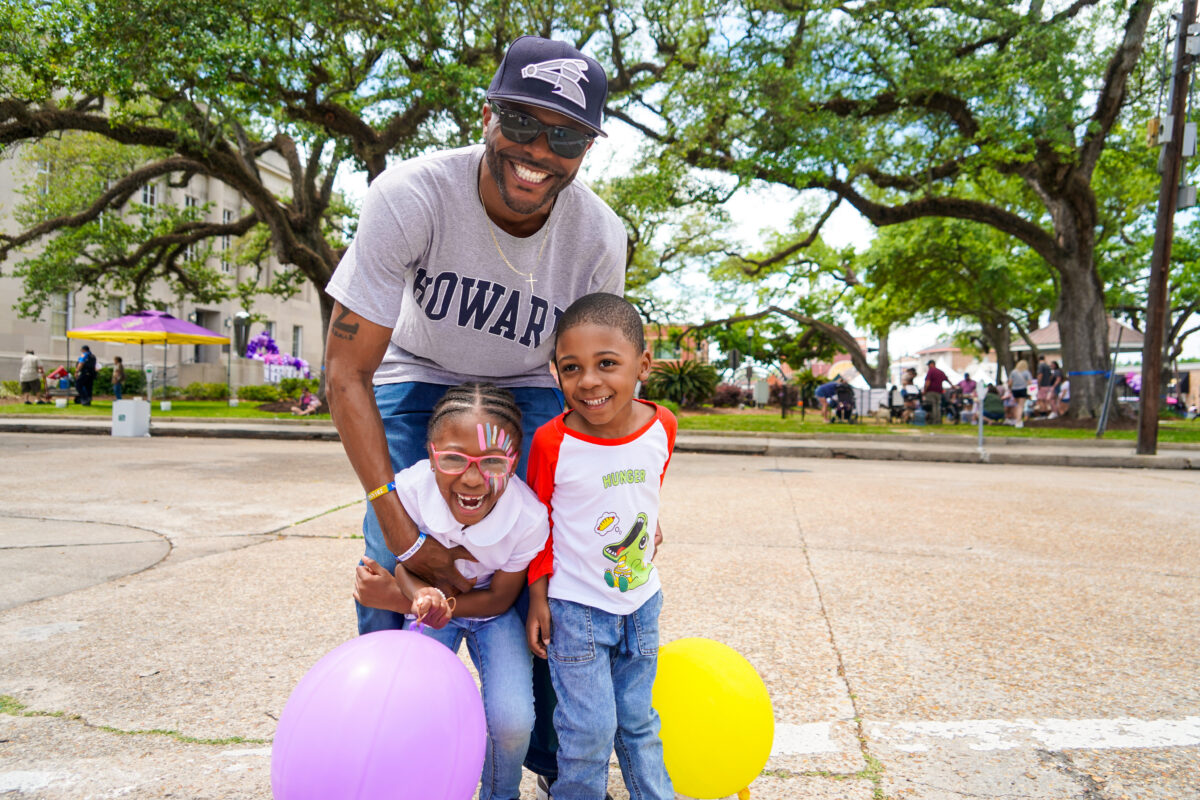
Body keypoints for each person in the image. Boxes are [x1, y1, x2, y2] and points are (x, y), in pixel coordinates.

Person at [322, 35, 627, 794]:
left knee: (551, 576)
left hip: (530, 385)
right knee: (388, 562)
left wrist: (605, 510)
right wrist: (403, 531)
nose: (539, 151)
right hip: (418, 374)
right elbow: (345, 371)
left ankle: (543, 755)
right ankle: (387, 754)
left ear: (585, 147)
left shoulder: (599, 236)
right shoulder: (412, 193)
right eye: (522, 123)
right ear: (486, 114)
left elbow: (595, 386)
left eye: (565, 136)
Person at [354, 383, 548, 800]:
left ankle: (501, 793)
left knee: (513, 720)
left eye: (493, 461)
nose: (473, 479)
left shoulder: (528, 517)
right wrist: (420, 595)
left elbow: (499, 599)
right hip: (429, 610)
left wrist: (404, 599)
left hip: (490, 615)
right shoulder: (411, 489)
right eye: (454, 459)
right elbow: (405, 563)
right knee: (412, 709)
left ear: (514, 462)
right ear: (430, 454)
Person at [525, 293, 675, 800]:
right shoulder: (551, 442)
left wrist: (651, 522)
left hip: (641, 604)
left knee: (639, 723)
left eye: (607, 364)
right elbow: (537, 522)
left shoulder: (664, 426)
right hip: (576, 611)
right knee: (587, 733)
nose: (588, 381)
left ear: (643, 365)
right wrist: (539, 598)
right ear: (555, 373)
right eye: (572, 368)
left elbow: (648, 487)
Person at [922, 359, 952, 425]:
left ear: (931, 364)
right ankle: (938, 421)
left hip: (931, 391)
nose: (928, 366)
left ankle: (933, 421)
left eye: (928, 365)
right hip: (939, 392)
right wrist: (952, 385)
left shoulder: (931, 371)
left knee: (931, 406)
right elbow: (947, 379)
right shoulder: (940, 371)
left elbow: (928, 382)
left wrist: (924, 390)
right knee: (937, 406)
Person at [1008, 358, 1033, 427]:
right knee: (1020, 406)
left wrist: (1010, 389)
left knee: (1016, 405)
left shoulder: (1013, 372)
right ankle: (1018, 420)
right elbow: (1030, 382)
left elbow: (1010, 383)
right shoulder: (1026, 372)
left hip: (1014, 390)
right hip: (1022, 389)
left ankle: (1016, 419)